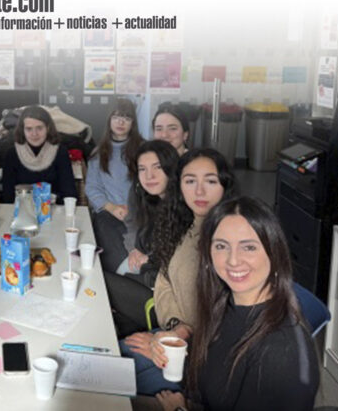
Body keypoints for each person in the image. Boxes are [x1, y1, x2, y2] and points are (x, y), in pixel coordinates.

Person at [155, 197, 319, 411]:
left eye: (248, 247)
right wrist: (169, 349)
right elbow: (210, 376)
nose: (233, 260)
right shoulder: (224, 305)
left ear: (274, 252)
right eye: (221, 246)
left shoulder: (282, 353)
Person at [123, 148, 239, 395]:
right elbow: (164, 281)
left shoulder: (231, 241)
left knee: (110, 379)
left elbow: (229, 319)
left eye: (210, 181)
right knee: (110, 360)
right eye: (190, 181)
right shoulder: (187, 226)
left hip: (204, 363)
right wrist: (176, 327)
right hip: (174, 337)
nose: (199, 191)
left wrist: (181, 335)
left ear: (225, 185)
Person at [103, 140, 178, 337]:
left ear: (171, 168)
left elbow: (176, 264)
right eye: (142, 169)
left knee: (97, 281)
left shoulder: (182, 207)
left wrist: (148, 260)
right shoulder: (150, 199)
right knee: (102, 220)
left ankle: (132, 320)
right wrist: (136, 249)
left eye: (157, 167)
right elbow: (138, 228)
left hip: (164, 294)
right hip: (148, 271)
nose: (149, 176)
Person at [86, 99, 144, 272]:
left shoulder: (144, 149)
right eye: (116, 117)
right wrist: (111, 207)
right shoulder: (99, 153)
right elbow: (92, 187)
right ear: (109, 120)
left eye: (126, 118)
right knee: (107, 230)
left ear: (133, 123)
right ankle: (122, 274)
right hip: (108, 211)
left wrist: (133, 207)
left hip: (139, 211)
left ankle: (132, 272)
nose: (121, 122)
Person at [1, 105, 78, 203]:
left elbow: (69, 192)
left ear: (48, 128)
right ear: (22, 130)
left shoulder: (60, 152)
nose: (34, 134)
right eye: (29, 129)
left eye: (39, 128)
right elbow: (8, 195)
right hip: (22, 209)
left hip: (53, 207)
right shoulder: (12, 154)